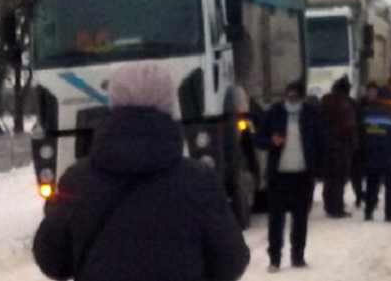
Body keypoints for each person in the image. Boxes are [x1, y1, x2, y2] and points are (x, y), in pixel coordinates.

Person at [33, 64, 250, 281]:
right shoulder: (199, 181)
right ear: (168, 106)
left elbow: (51, 260)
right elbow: (231, 262)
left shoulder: (77, 182)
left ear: (113, 104)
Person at [256, 83, 326, 272]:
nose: (291, 102)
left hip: (303, 175)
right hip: (279, 175)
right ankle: (275, 259)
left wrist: (319, 169)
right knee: (276, 220)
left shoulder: (312, 115)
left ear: (303, 100)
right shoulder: (274, 113)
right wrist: (271, 141)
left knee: (300, 218)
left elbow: (321, 141)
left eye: (295, 99)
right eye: (289, 99)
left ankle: (298, 256)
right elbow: (258, 139)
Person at [359, 83, 391, 223]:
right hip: (388, 155)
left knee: (372, 184)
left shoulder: (366, 112)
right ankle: (389, 213)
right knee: (389, 186)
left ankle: (368, 211)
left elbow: (361, 134)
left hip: (371, 154)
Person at [319, 77, 361, 218]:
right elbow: (352, 126)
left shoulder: (325, 101)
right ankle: (337, 207)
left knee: (329, 177)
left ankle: (329, 205)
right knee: (339, 178)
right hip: (343, 146)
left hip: (326, 145)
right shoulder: (348, 104)